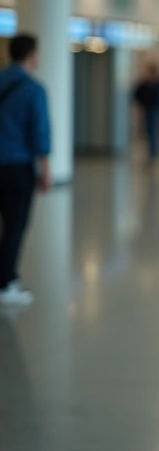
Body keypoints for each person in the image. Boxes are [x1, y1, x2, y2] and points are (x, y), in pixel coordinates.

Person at [0, 34, 52, 307]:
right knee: (15, 225)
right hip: (17, 167)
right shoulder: (33, 89)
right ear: (32, 55)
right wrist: (45, 169)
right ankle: (5, 282)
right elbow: (40, 133)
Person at [133, 60, 159, 161]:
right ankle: (153, 151)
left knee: (154, 130)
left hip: (157, 109)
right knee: (150, 131)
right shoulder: (144, 84)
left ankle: (154, 152)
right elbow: (138, 96)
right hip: (148, 110)